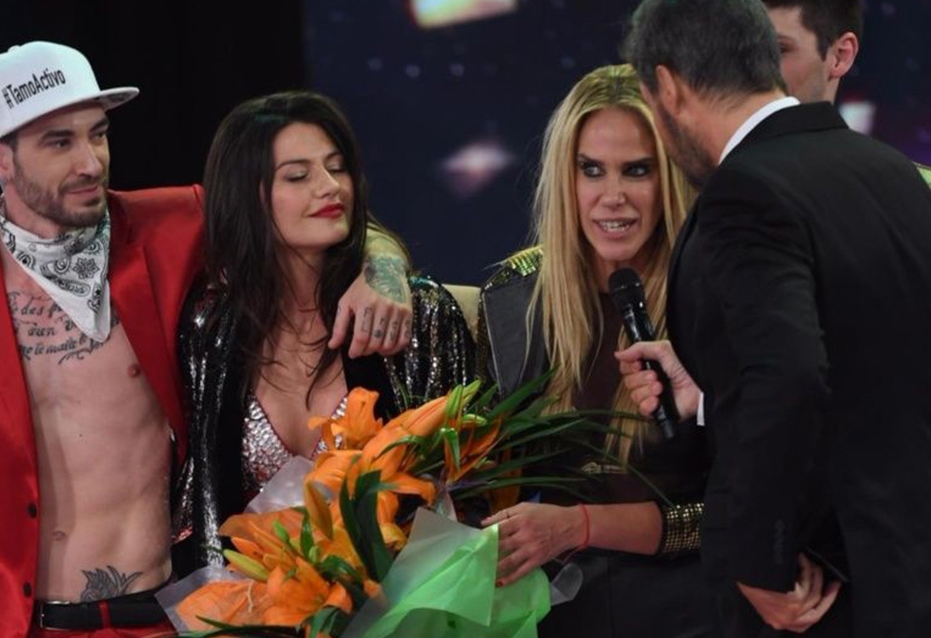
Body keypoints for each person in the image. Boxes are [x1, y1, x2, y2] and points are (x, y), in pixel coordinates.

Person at [0, 42, 413, 638]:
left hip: (170, 616)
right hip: (17, 623)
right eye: (59, 143)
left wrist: (383, 268)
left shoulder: (174, 224)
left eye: (98, 134)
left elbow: (317, 215)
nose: (91, 162)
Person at [622, 0, 931, 634]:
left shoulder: (744, 191)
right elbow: (864, 370)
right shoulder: (893, 172)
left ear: (669, 88)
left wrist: (760, 560)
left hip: (818, 592)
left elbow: (790, 376)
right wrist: (711, 397)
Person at [176, 91, 475, 570]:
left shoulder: (420, 314)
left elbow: (467, 488)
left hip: (413, 595)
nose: (330, 187)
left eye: (337, 168)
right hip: (255, 600)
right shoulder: (209, 327)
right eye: (298, 176)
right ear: (245, 195)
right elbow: (206, 502)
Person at [477, 64, 716, 636]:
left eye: (637, 170)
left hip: (692, 604)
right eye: (592, 170)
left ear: (670, 177)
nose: (613, 197)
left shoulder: (714, 293)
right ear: (567, 179)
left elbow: (736, 512)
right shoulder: (516, 298)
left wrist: (577, 526)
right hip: (552, 609)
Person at [761, 0, 931, 185]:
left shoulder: (910, 187)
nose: (750, 68)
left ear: (840, 56)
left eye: (779, 50)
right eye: (740, 49)